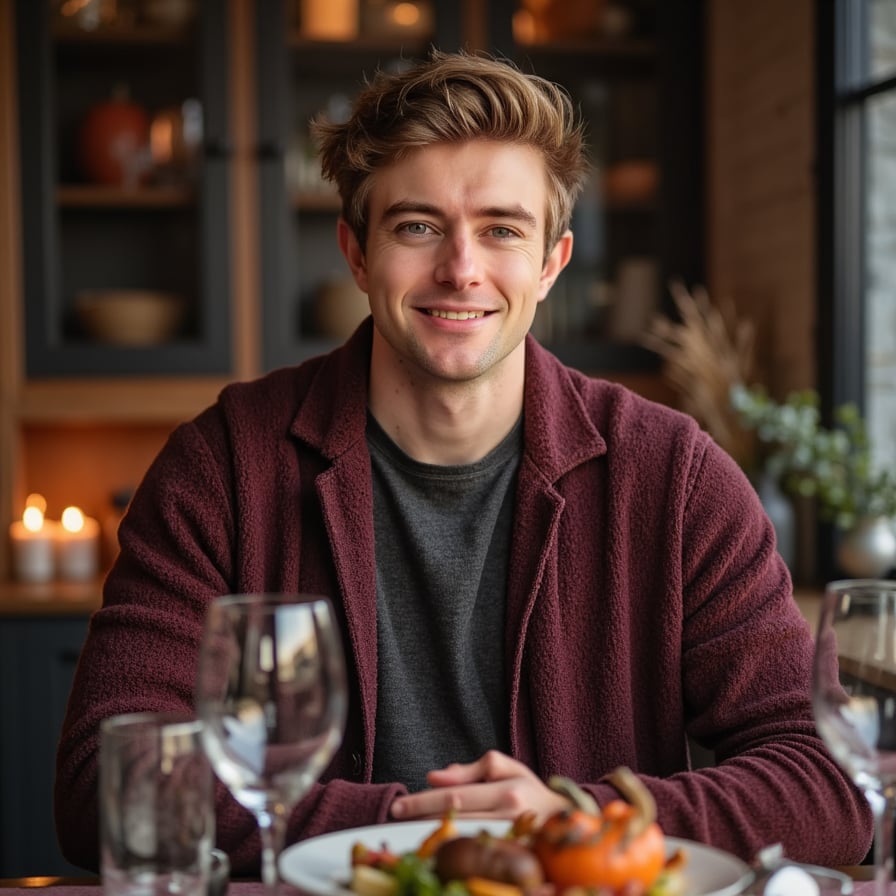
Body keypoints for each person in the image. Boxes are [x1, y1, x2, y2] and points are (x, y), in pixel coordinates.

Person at [55, 49, 871, 876]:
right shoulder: (222, 466)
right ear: (357, 253)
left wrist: (581, 820)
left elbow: (828, 783)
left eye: (502, 230)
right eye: (417, 226)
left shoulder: (675, 477)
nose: (461, 269)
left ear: (551, 264)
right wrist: (417, 830)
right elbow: (107, 782)